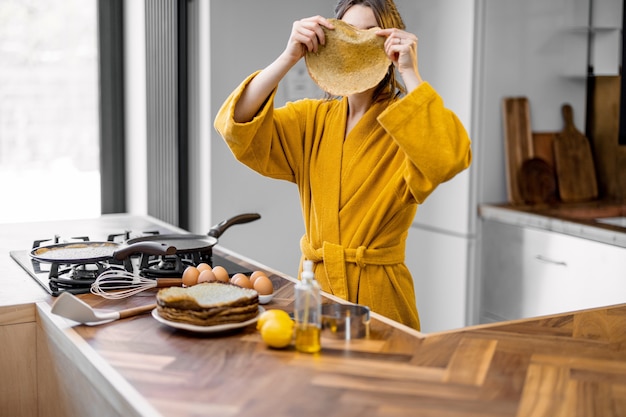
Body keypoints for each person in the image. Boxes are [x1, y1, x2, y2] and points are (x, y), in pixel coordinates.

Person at [214, 0, 472, 330]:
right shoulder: (311, 120)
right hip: (315, 291)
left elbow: (449, 156)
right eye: (348, 34)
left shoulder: (405, 122)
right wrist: (289, 56)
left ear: (389, 40)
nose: (357, 44)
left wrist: (410, 72)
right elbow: (237, 125)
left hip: (378, 300)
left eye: (370, 34)